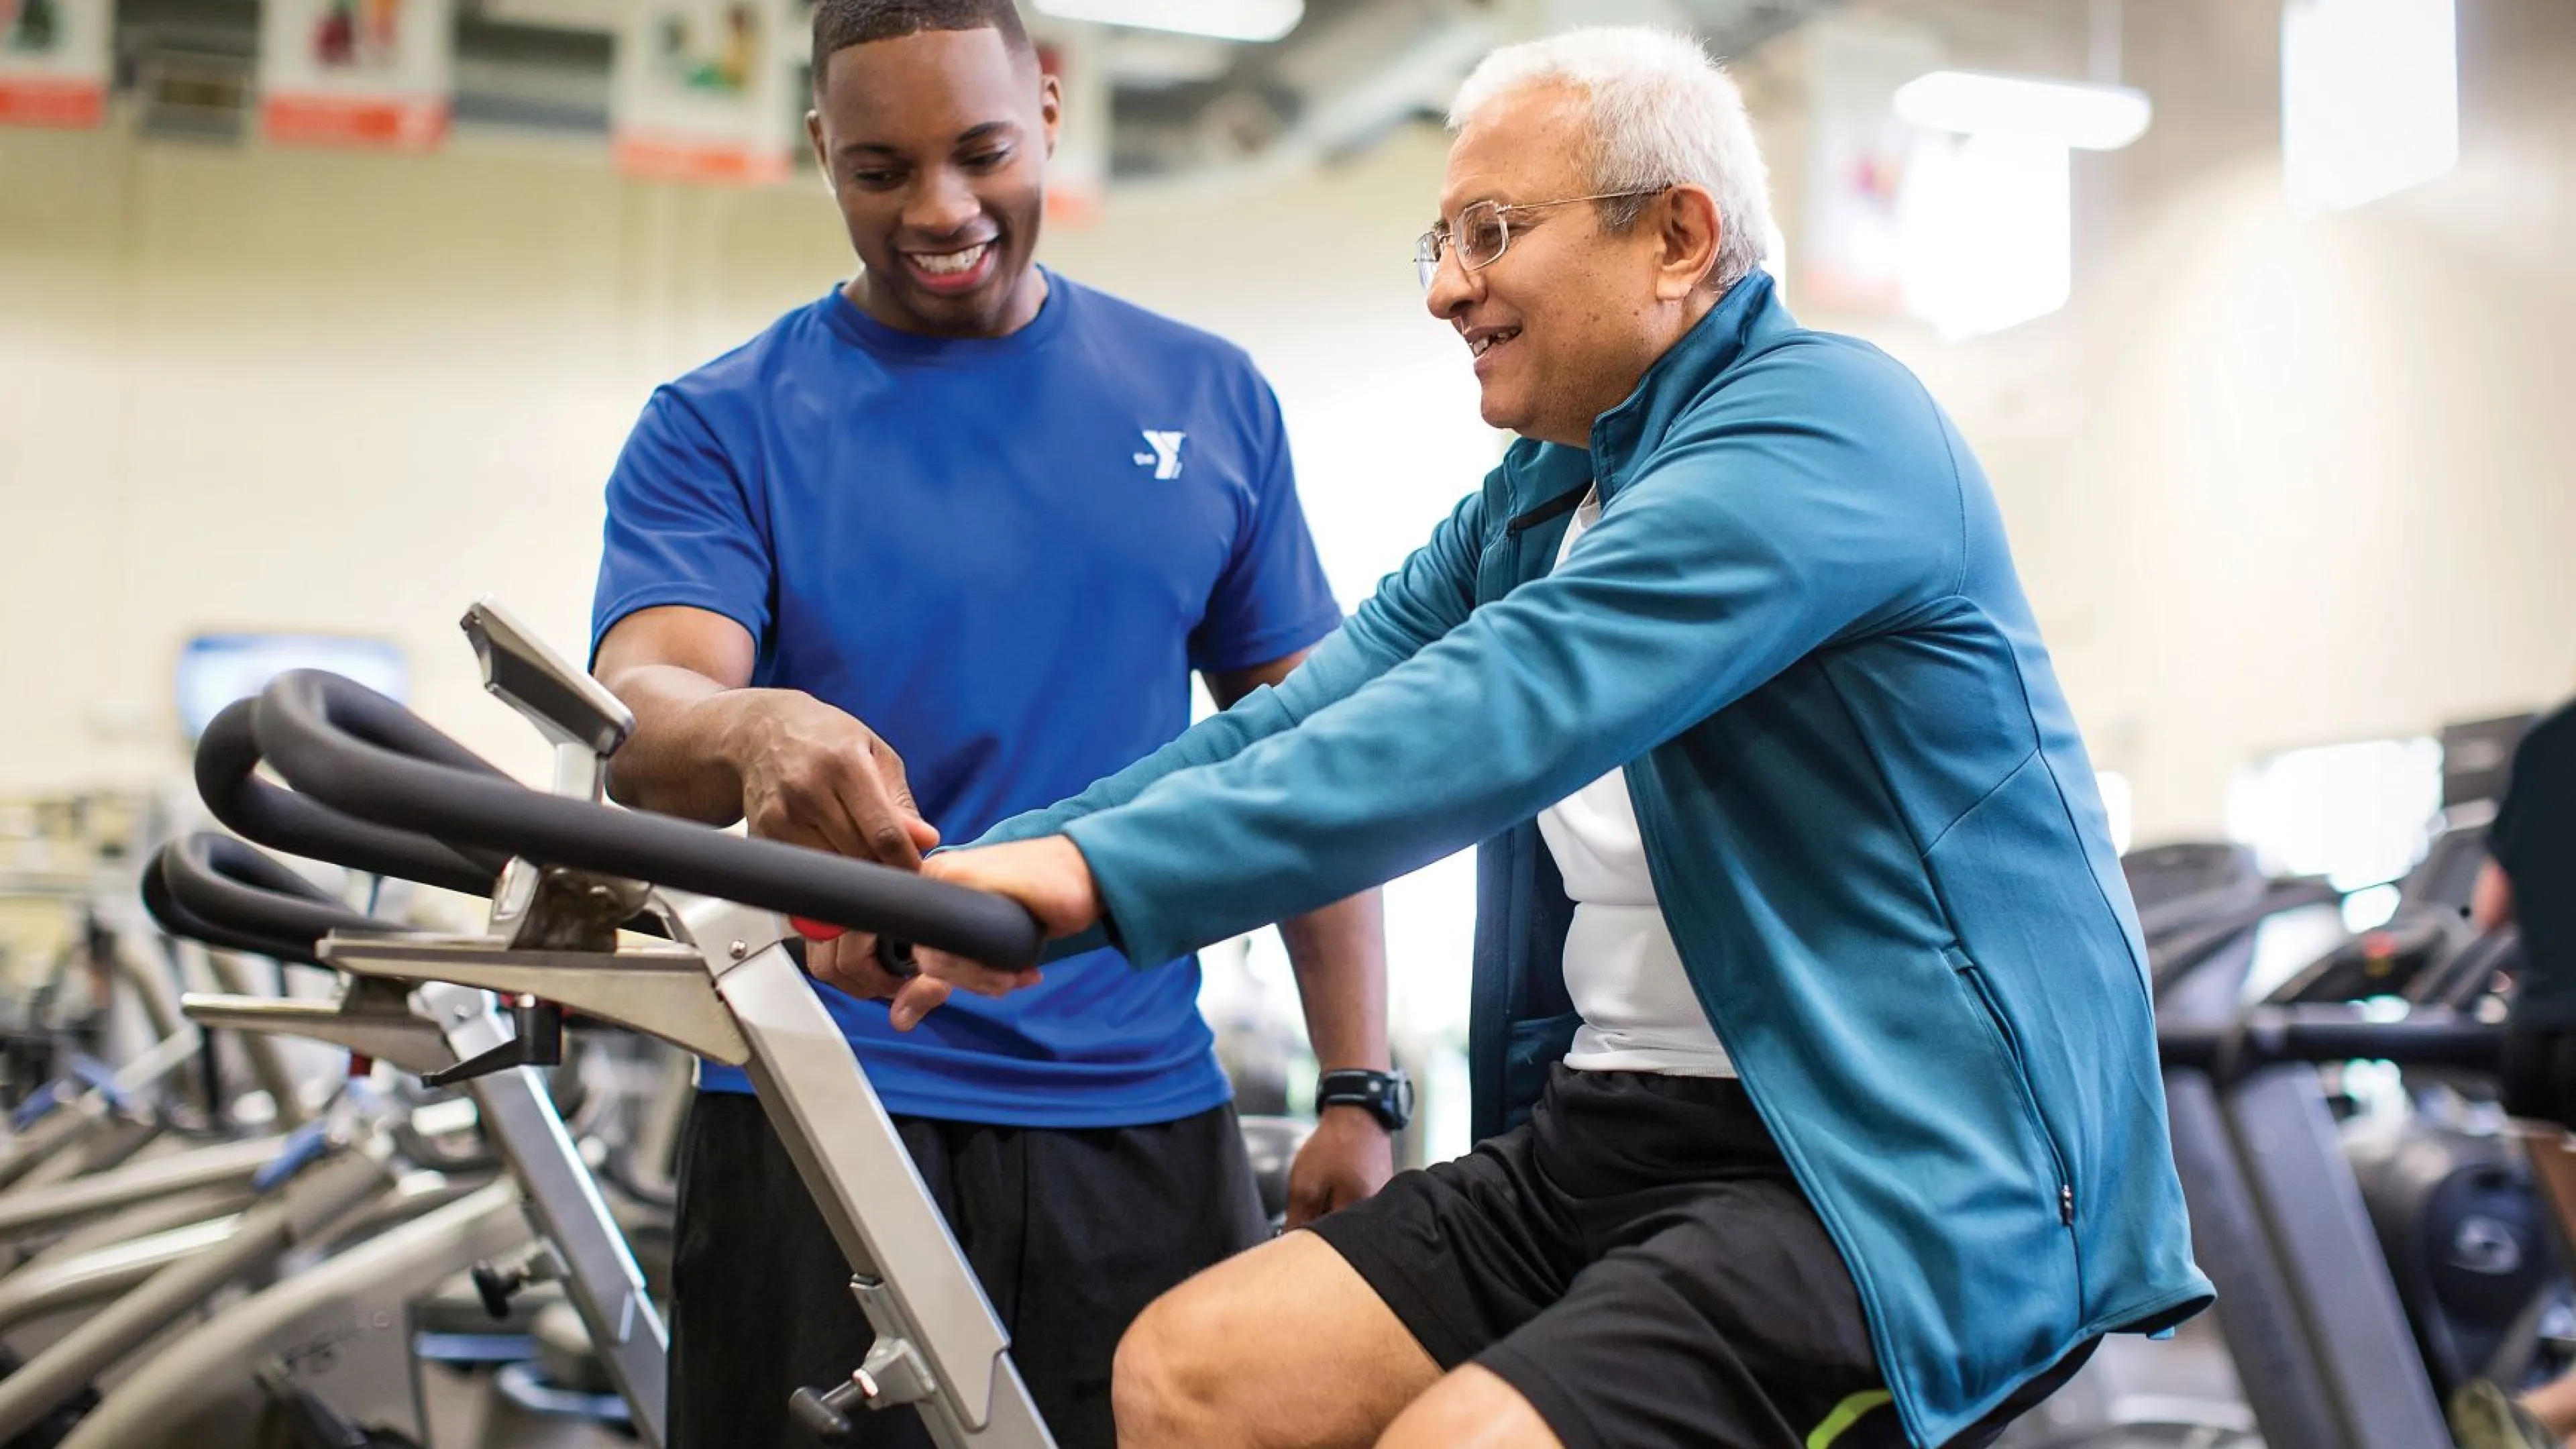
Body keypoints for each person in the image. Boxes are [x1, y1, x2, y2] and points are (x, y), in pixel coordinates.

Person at [828, 26, 2216, 1449]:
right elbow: (1311, 713)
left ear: (1677, 237)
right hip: (1610, 1131)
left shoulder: (1827, 431)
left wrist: (1091, 885)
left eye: (1491, 233)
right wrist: (995, 874)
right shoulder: (1546, 493)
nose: (1446, 287)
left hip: (1889, 1172)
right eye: (1440, 242)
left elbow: (1500, 705)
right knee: (1194, 1373)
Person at [586, 3, 1399, 1446]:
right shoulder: (723, 423)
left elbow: (1310, 762)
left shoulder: (1206, 398)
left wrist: (1358, 1085)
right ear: (821, 150)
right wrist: (755, 728)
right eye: (881, 170)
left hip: (1137, 1123)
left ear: (1052, 112)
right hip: (818, 1114)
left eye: (982, 153)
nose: (941, 210)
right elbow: (645, 706)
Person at [2451, 693, 2576, 1449]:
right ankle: (2535, 1417)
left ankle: (2531, 1420)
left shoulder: (2547, 738)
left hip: (2535, 1045)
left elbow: (2490, 906)